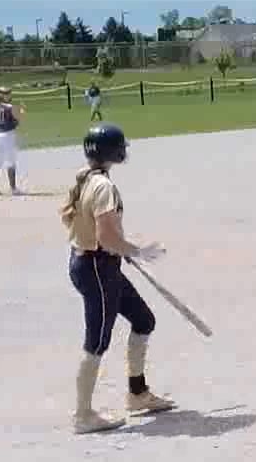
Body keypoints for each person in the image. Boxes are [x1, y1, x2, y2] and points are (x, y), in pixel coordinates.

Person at [59, 123, 176, 434]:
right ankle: (83, 414)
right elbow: (106, 237)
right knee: (97, 341)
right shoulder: (102, 187)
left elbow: (89, 229)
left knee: (143, 320)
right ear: (114, 151)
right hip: (97, 267)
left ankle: (137, 394)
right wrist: (136, 251)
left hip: (98, 264)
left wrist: (119, 250)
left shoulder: (88, 178)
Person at [0, 87, 26, 196]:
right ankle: (13, 188)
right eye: (8, 94)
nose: (10, 95)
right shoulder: (9, 107)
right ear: (4, 95)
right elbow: (16, 121)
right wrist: (21, 112)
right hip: (7, 134)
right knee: (11, 161)